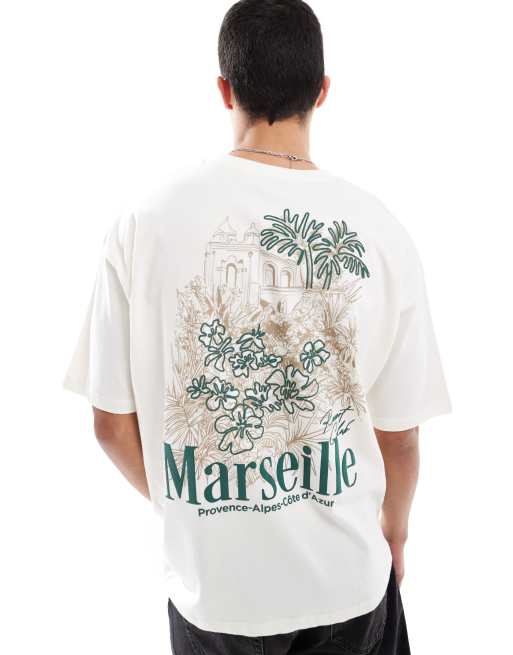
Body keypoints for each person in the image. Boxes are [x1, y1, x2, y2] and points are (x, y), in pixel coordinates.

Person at [64, 1, 451, 652]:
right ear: (322, 91)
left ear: (225, 90)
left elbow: (110, 423)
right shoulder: (381, 231)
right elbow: (400, 437)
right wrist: (397, 530)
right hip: (346, 583)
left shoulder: (143, 222)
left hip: (216, 593)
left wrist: (192, 512)